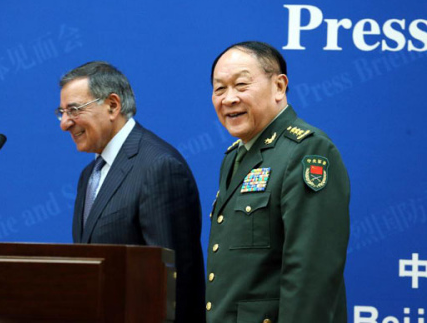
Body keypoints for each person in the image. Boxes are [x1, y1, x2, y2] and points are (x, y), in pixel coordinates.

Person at [206, 41, 350, 323]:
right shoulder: (234, 156)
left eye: (241, 85)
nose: (229, 98)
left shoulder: (308, 151)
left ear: (279, 87)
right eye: (219, 88)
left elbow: (312, 273)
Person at [56, 61, 205, 322]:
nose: (65, 123)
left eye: (74, 110)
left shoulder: (159, 167)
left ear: (113, 105)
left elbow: (174, 287)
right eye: (61, 112)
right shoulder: (89, 175)